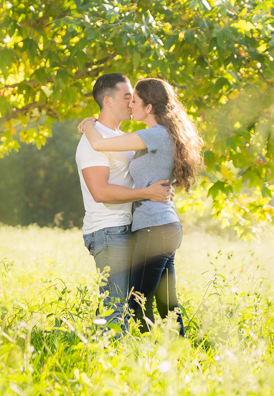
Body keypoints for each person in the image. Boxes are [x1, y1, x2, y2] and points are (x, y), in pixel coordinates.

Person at [80, 78, 203, 336]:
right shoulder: (150, 136)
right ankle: (178, 354)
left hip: (155, 228)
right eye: (127, 98)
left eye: (134, 100)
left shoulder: (154, 135)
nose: (130, 104)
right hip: (161, 226)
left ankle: (149, 355)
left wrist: (89, 124)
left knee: (135, 301)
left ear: (148, 107)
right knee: (166, 303)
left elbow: (100, 143)